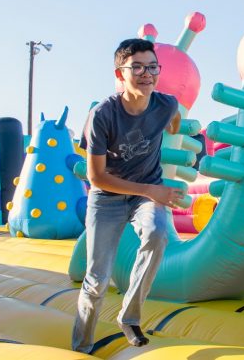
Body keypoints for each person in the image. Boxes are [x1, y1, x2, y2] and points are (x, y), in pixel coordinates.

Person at [72, 38, 184, 353]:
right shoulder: (103, 115)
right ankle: (81, 346)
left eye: (152, 67)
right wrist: (151, 190)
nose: (146, 74)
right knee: (96, 280)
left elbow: (173, 120)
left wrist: (173, 127)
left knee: (156, 234)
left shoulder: (166, 104)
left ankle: (129, 315)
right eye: (136, 67)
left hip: (144, 195)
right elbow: (96, 176)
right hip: (107, 196)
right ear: (120, 74)